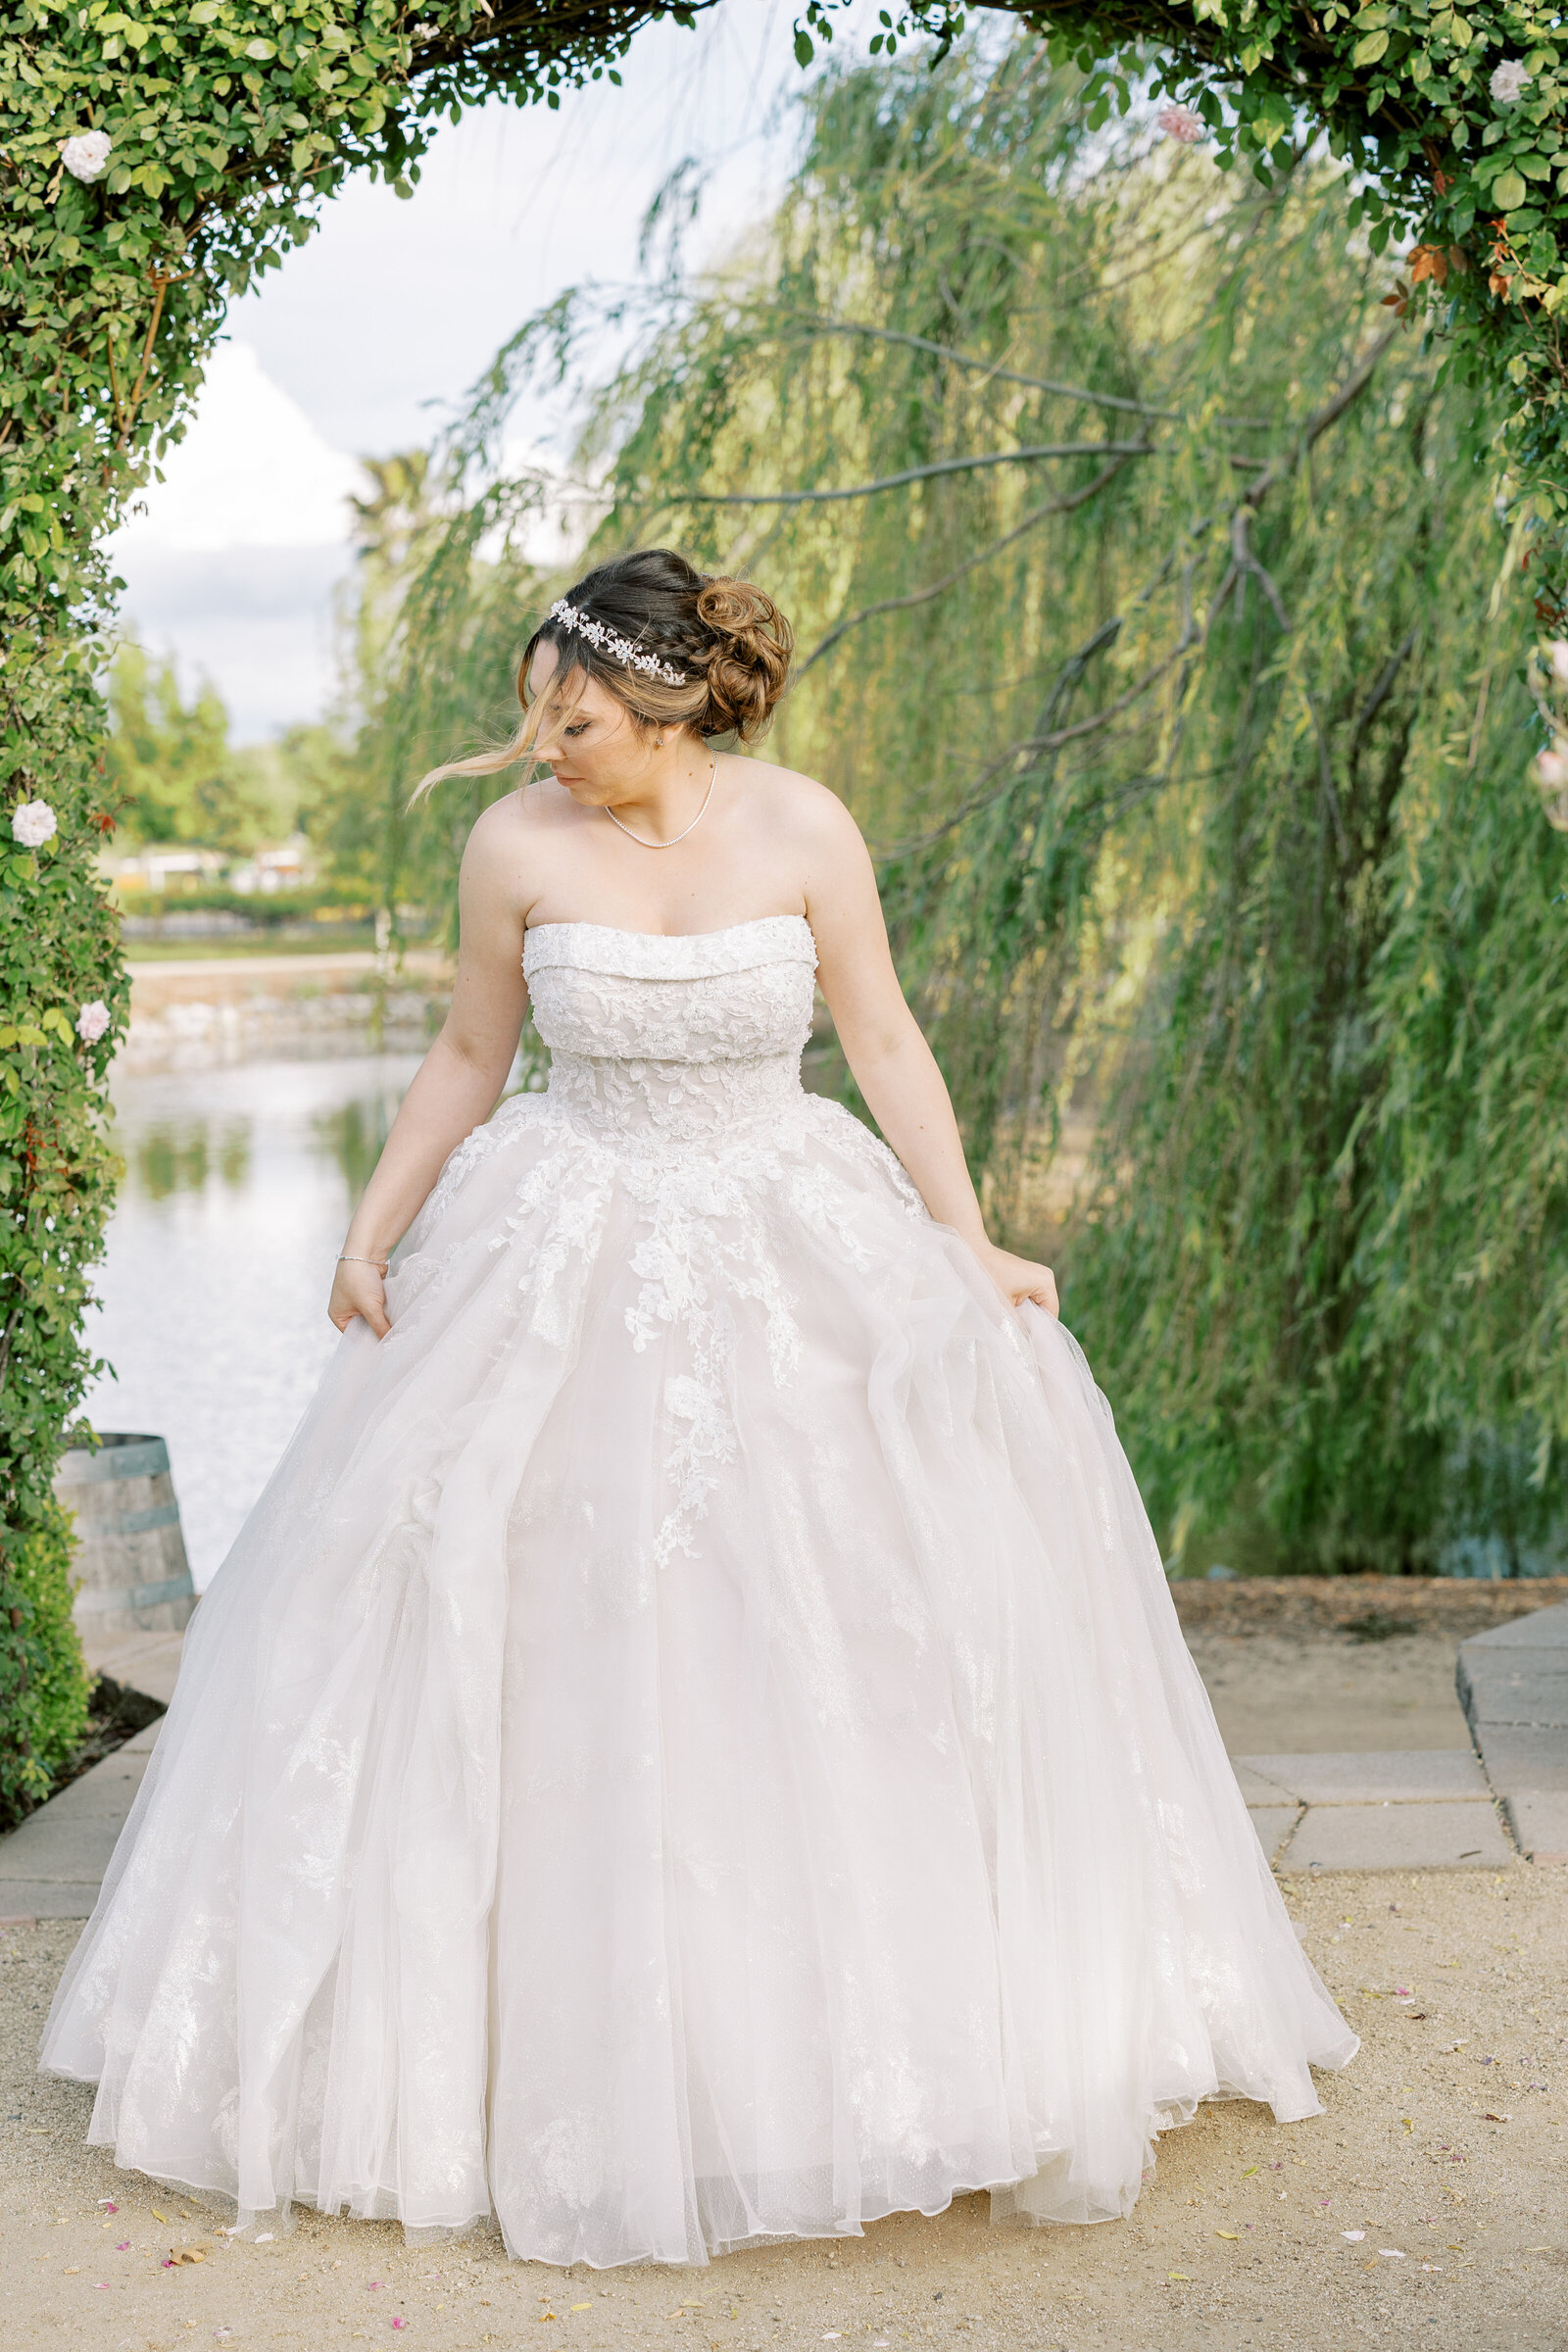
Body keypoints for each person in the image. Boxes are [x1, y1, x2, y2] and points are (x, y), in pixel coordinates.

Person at [42, 547, 1355, 2269]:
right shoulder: (514, 847)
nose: (542, 742)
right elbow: (465, 1055)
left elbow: (882, 1042)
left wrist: (967, 1243)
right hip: (560, 1235)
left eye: (571, 714)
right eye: (536, 711)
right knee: (541, 1616)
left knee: (838, 1612)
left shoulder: (805, 829)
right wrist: (371, 1233)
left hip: (783, 1225)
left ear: (665, 700)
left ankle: (870, 2034)